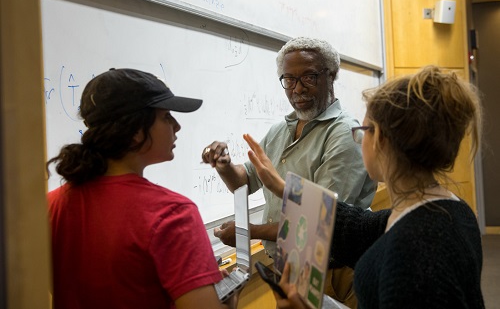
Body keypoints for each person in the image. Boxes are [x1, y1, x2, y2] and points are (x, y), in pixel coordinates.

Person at [246, 65, 485, 309]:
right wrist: (283, 188)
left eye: (362, 132)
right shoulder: (446, 210)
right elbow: (355, 227)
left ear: (381, 139)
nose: (359, 142)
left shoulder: (414, 253)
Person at [202, 37, 377, 306]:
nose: (297, 89)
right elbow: (245, 181)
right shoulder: (280, 130)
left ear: (330, 76)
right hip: (289, 270)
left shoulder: (343, 133)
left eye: (308, 77)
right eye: (289, 79)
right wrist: (224, 166)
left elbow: (321, 218)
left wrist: (250, 231)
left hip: (333, 273)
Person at [47, 68, 238, 309]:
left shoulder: (50, 205)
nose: (177, 126)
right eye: (167, 116)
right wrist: (229, 303)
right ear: (136, 131)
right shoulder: (173, 213)